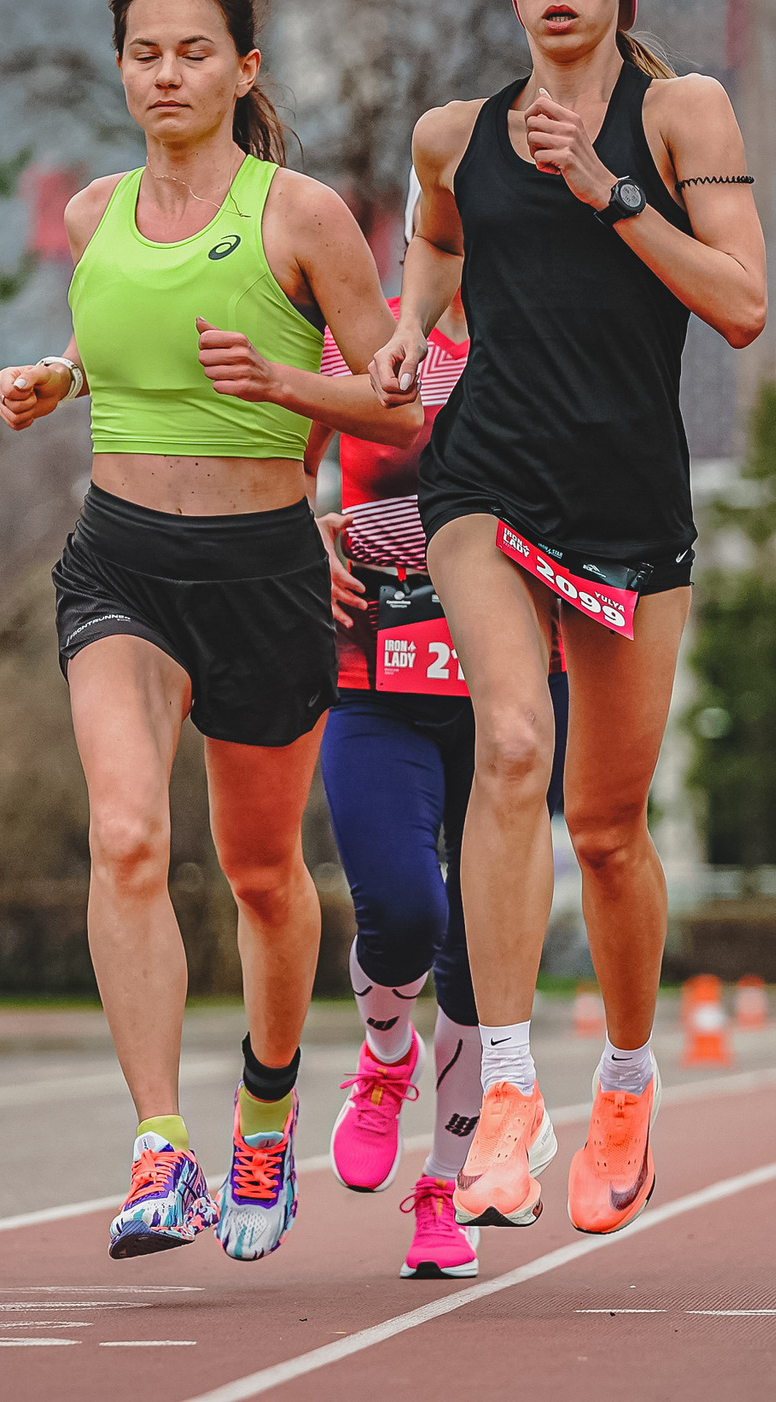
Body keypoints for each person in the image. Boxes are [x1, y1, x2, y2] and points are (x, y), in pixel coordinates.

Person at [0, 0, 421, 1263]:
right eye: (143, 52)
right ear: (121, 67)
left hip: (264, 573)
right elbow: (129, 340)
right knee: (124, 833)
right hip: (119, 562)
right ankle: (159, 1146)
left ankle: (266, 1101)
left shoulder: (302, 217)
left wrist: (290, 383)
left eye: (193, 51)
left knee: (259, 871)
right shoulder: (90, 212)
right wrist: (57, 376)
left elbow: (398, 402)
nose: (165, 73)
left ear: (245, 68)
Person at [366, 0, 767, 1237]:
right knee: (511, 748)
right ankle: (511, 1093)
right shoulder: (452, 134)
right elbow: (436, 235)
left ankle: (627, 1085)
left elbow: (743, 303)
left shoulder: (683, 111)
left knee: (605, 828)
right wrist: (415, 322)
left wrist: (605, 190)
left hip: (630, 501)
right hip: (486, 474)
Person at [306, 274, 569, 1281]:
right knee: (406, 913)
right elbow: (281, 456)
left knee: (480, 950)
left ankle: (443, 1186)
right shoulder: (357, 337)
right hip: (374, 664)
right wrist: (299, 524)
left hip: (513, 677)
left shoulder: (548, 331)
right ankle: (383, 1056)